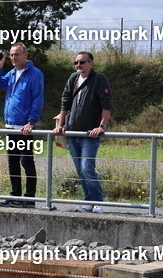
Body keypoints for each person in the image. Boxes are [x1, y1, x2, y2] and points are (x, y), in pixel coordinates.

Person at [51, 51, 112, 213]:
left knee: (87, 168)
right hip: (72, 133)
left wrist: (102, 126)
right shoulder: (73, 78)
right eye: (76, 62)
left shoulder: (99, 79)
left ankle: (98, 202)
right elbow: (65, 103)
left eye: (82, 62)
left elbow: (106, 105)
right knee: (80, 170)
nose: (79, 65)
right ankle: (89, 201)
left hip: (89, 134)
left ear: (91, 63)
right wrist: (61, 125)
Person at [0, 43, 44, 208]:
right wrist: (0, 65)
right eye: (12, 55)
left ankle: (29, 198)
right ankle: (15, 195)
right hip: (10, 126)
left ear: (25, 55)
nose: (14, 57)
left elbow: (37, 98)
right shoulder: (12, 73)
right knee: (12, 162)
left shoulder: (35, 74)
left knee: (26, 161)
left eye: (17, 54)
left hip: (24, 128)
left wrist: (31, 121)